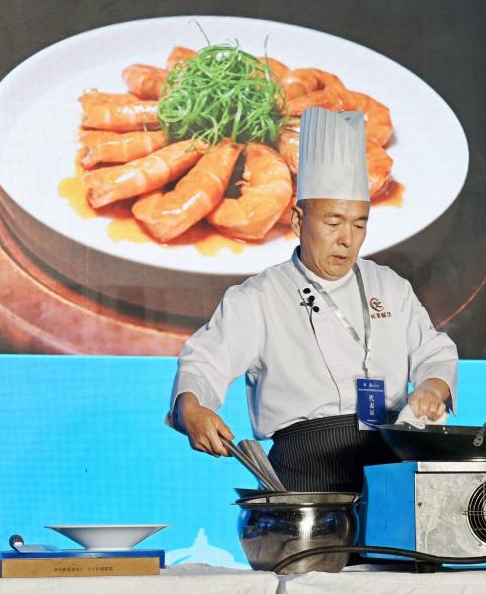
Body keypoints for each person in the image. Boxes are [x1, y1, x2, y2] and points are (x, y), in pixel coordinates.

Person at [167, 107, 458, 492]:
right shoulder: (259, 297)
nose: (347, 239)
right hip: (302, 471)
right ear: (297, 220)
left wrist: (432, 388)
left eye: (359, 224)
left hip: (390, 464)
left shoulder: (390, 286)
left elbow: (434, 351)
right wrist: (191, 408)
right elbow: (205, 361)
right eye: (333, 223)